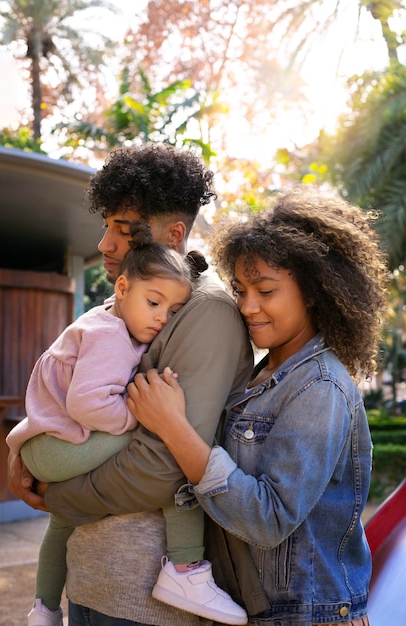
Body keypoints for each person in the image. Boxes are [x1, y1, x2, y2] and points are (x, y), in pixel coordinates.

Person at [7, 143, 254, 626]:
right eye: (106, 226)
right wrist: (25, 449)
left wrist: (52, 494)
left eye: (124, 230)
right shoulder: (126, 305)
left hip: (144, 604)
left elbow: (164, 464)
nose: (105, 244)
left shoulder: (206, 313)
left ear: (175, 233)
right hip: (91, 582)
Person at [126, 188, 389, 626]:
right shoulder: (260, 374)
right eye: (241, 289)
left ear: (314, 293)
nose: (247, 307)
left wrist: (173, 428)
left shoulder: (320, 387)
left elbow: (270, 519)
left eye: (265, 291)